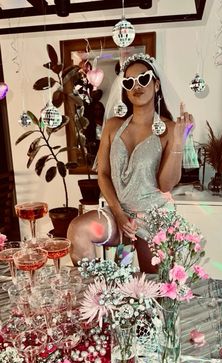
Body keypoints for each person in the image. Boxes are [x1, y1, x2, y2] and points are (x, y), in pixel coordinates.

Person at [67, 53, 194, 273]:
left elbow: (165, 185)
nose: (137, 85)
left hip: (154, 217)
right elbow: (104, 175)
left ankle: (131, 301)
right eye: (129, 82)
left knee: (153, 283)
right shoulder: (112, 126)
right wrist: (118, 212)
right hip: (118, 213)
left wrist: (179, 140)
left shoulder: (170, 128)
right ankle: (99, 296)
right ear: (124, 90)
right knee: (78, 230)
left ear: (156, 85)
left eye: (143, 79)